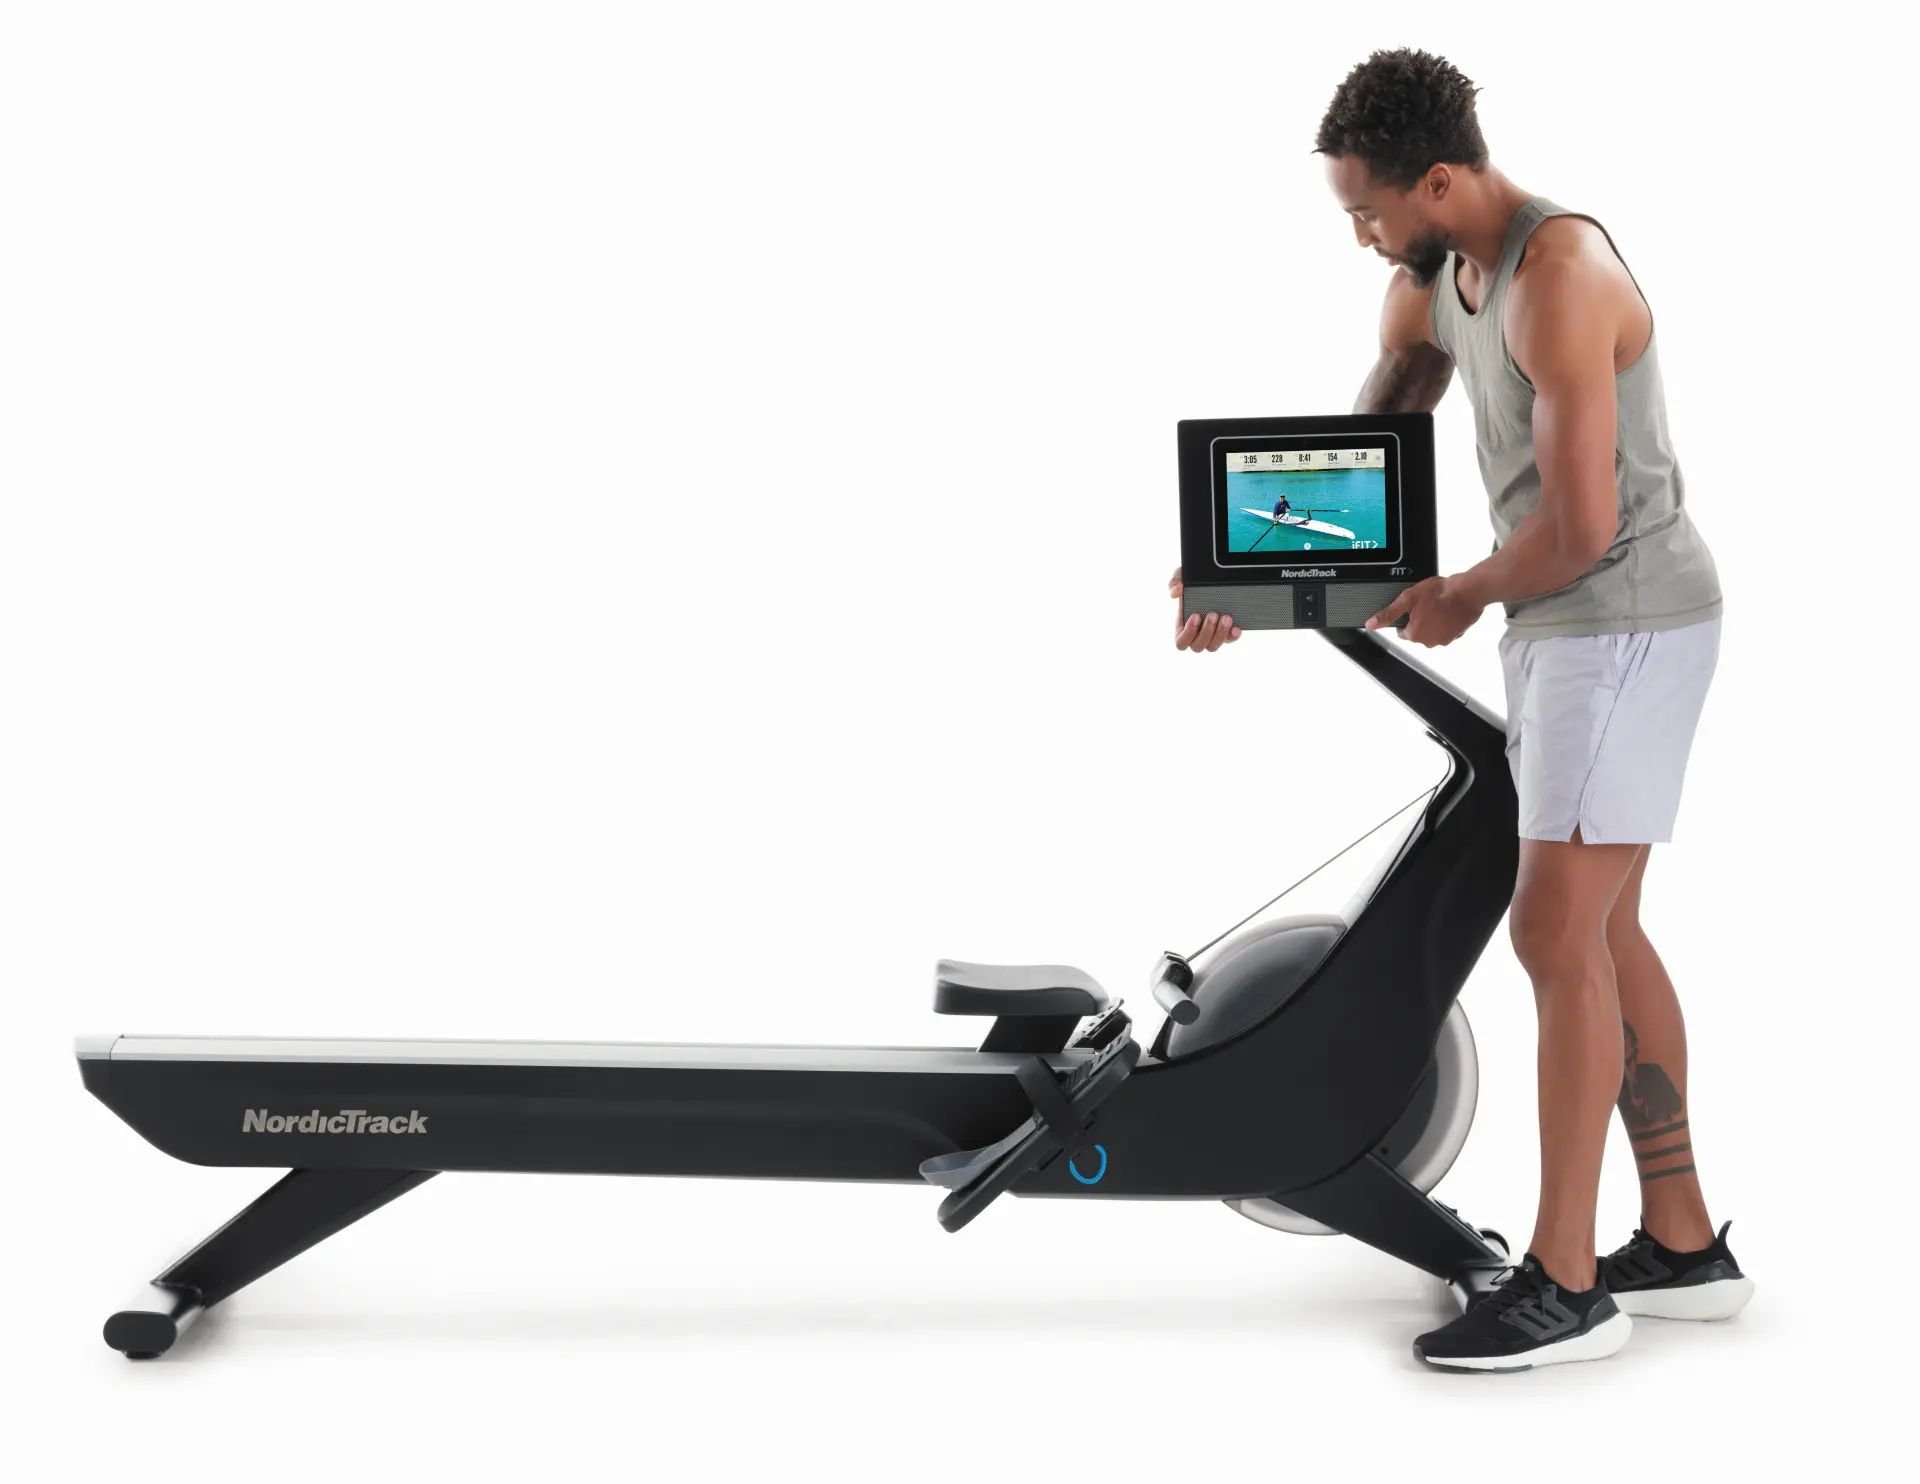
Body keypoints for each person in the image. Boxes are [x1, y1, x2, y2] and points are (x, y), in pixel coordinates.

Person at [1167, 47, 1752, 1372]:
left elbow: (1583, 527)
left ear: (1439, 180)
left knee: (1554, 934)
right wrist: (1246, 573)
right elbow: (1376, 432)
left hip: (1626, 619)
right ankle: (1682, 1244)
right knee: (1604, 931)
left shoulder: (1561, 278)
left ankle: (1566, 1284)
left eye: (1369, 210)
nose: (1362, 237)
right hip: (1566, 624)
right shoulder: (1437, 280)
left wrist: (1462, 593)